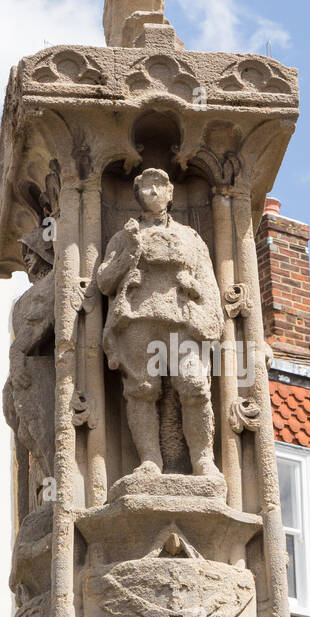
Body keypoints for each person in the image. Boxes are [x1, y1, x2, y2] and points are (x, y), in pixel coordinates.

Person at [97, 167, 224, 479]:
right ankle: (150, 461)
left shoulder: (190, 237)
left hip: (182, 317)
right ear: (138, 194)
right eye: (147, 188)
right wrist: (129, 252)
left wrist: (209, 320)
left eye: (159, 187)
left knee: (195, 386)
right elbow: (103, 281)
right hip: (139, 318)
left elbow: (207, 282)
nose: (153, 193)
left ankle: (203, 460)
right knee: (141, 389)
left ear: (170, 194)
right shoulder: (124, 236)